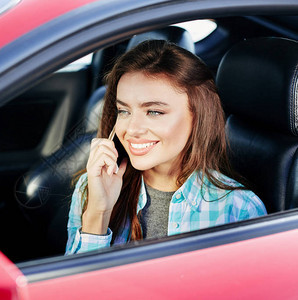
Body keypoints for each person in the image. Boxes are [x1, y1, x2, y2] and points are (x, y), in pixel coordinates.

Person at [65, 40, 267, 255]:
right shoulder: (92, 187)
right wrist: (99, 212)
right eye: (124, 111)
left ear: (198, 117)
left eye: (154, 112)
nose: (132, 129)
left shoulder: (239, 209)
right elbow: (74, 288)